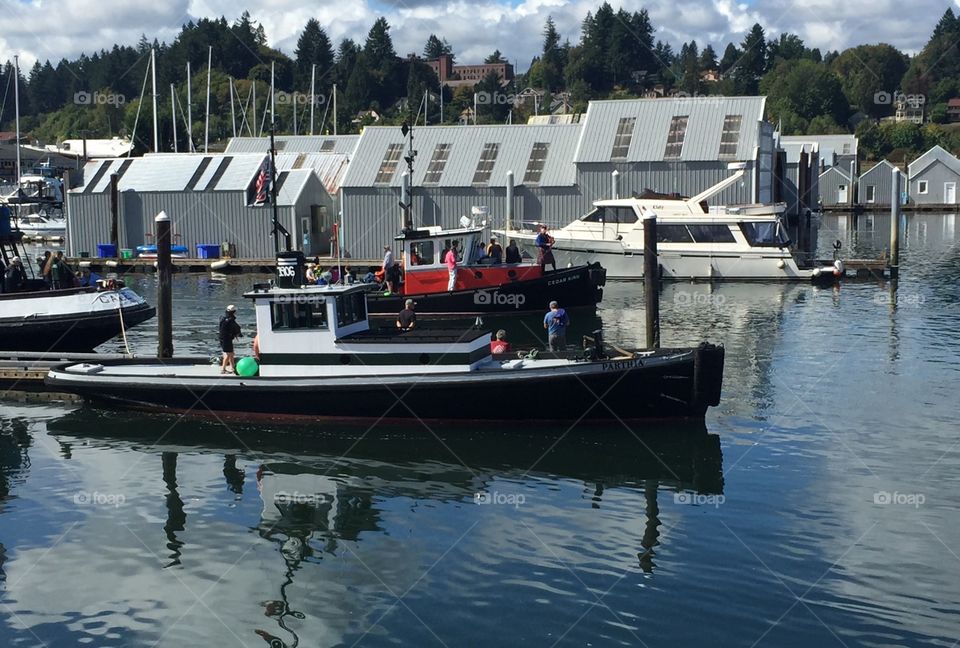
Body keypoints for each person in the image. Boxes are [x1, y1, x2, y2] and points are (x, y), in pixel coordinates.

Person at [219, 304, 242, 374]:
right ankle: (223, 369)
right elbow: (236, 328)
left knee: (231, 353)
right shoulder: (230, 320)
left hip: (223, 338)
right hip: (227, 339)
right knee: (228, 354)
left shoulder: (223, 318)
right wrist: (238, 333)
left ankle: (232, 367)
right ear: (233, 312)